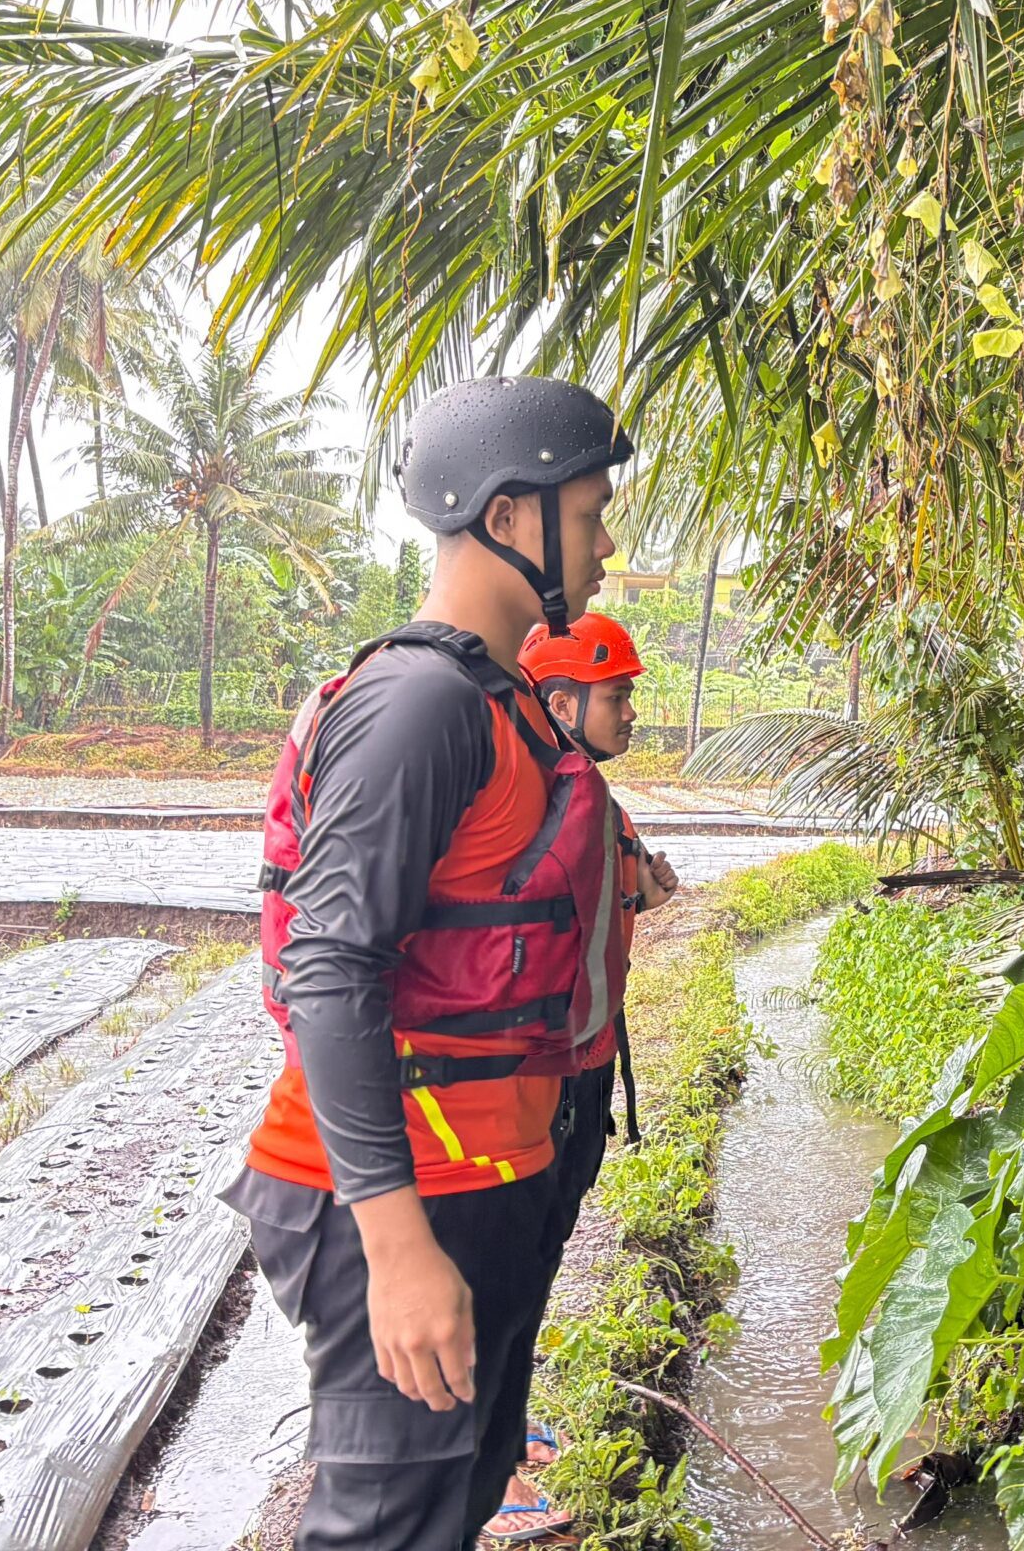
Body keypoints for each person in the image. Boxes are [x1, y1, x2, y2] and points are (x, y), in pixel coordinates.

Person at [221, 376, 635, 1551]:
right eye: (590, 513)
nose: (606, 544)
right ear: (509, 519)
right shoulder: (420, 707)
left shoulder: (503, 703)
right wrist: (397, 1252)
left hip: (488, 1175)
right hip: (403, 1200)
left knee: (458, 1494)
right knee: (388, 1528)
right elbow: (332, 967)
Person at [485, 612, 681, 1544]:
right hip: (543, 1079)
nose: (631, 709)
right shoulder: (539, 796)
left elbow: (642, 884)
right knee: (508, 1269)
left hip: (583, 1069)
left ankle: (508, 1433)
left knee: (540, 1257)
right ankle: (493, 1477)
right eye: (619, 694)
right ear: (561, 701)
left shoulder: (586, 792)